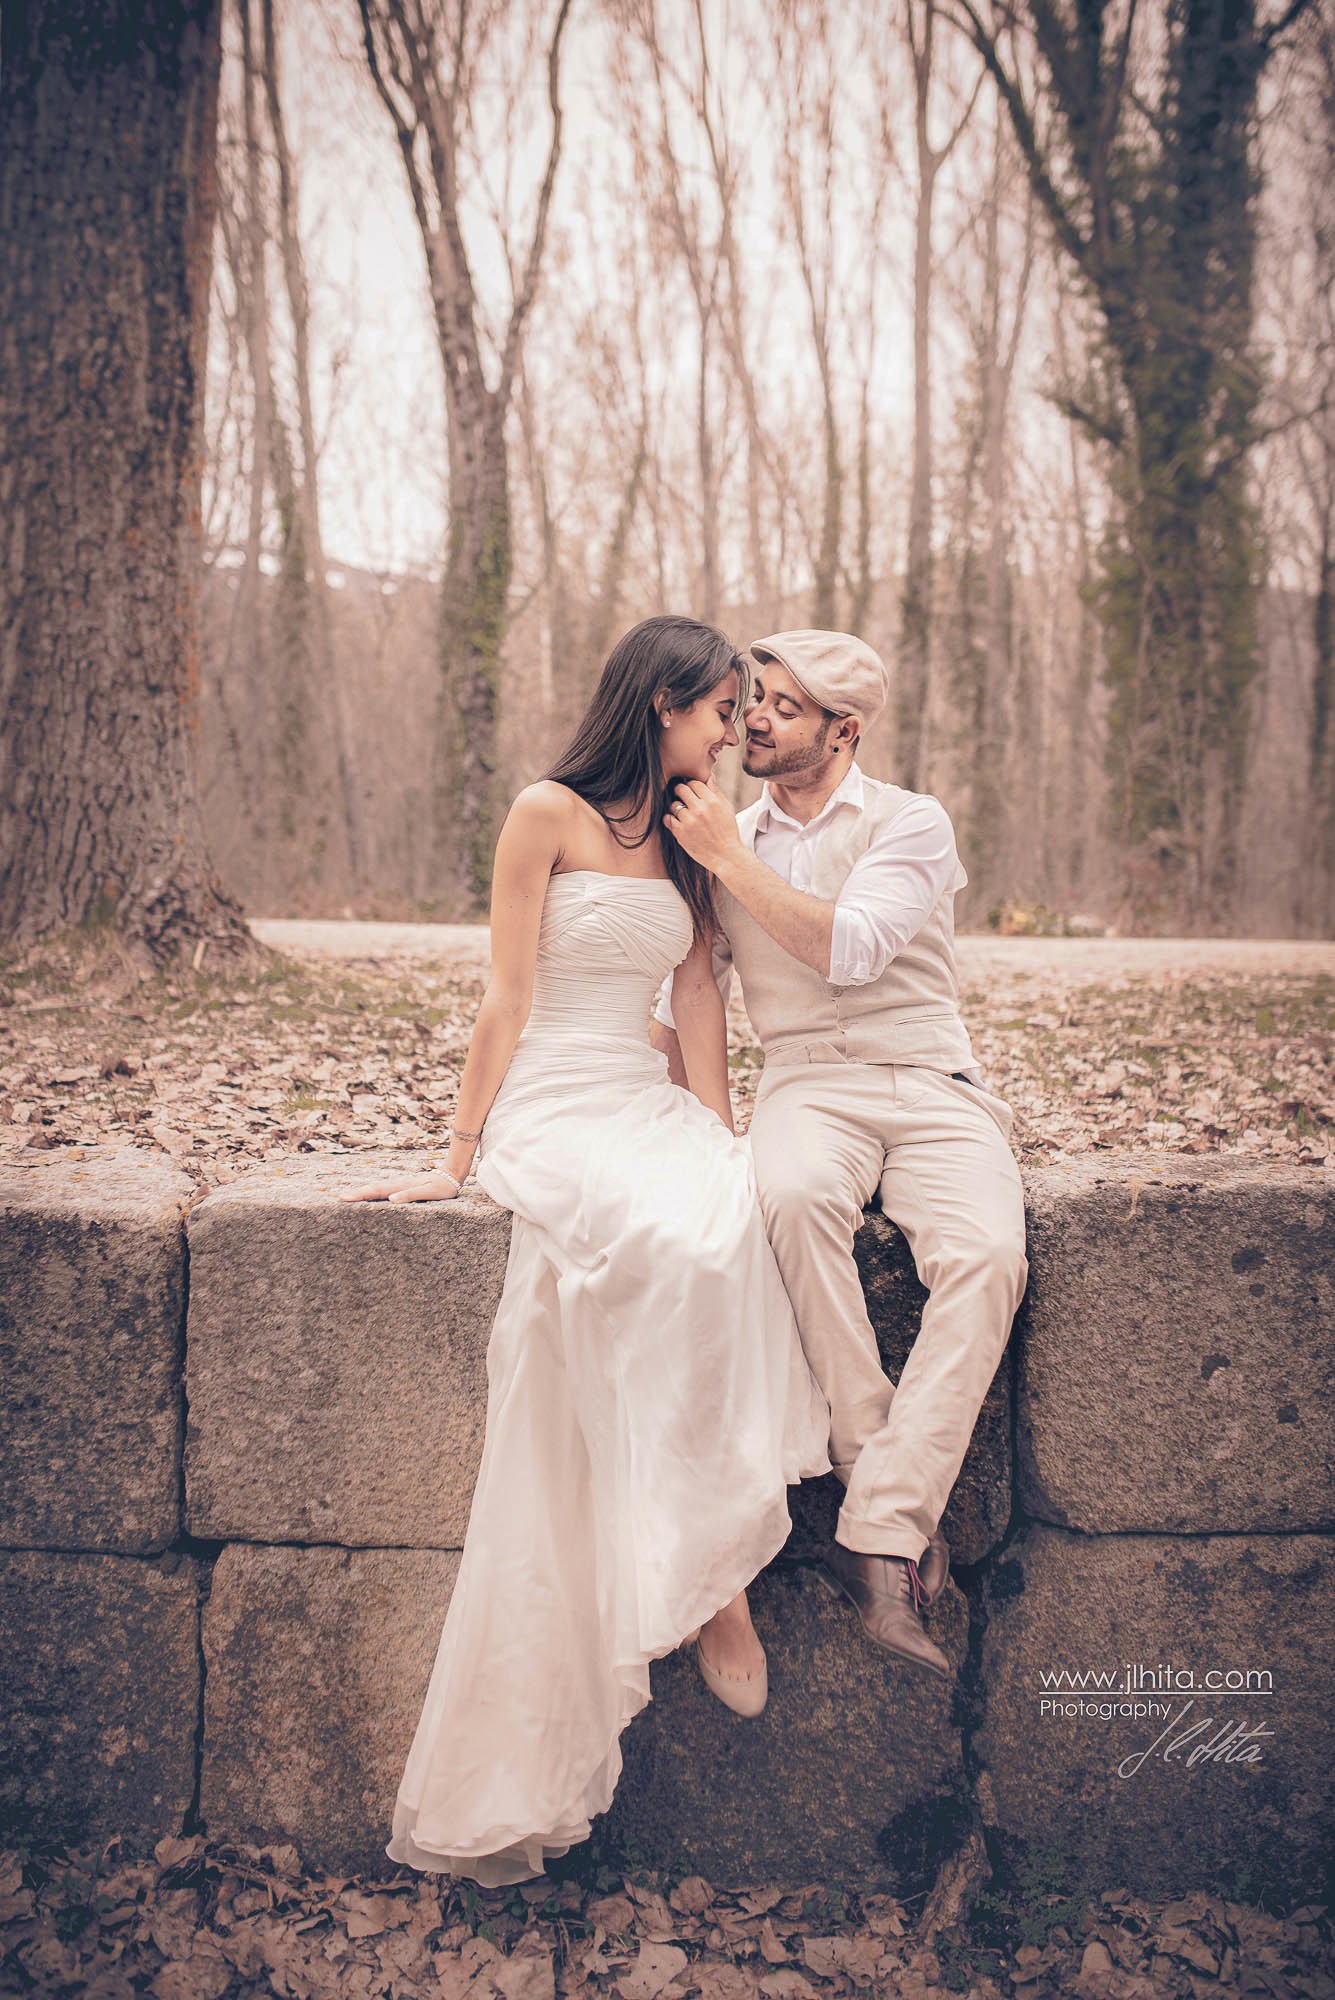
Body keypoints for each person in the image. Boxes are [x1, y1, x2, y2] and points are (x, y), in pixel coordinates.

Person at [336, 614, 831, 1887]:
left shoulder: (693, 832)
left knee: (725, 1217)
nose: (737, 731)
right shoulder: (545, 813)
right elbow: (505, 995)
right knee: (649, 1242)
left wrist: (722, 1137)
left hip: (645, 1093)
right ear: (663, 702)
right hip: (556, 1103)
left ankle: (707, 1545)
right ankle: (713, 1576)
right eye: (724, 709)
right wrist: (455, 1154)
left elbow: (702, 995)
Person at [653, 628, 1029, 1681]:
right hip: (809, 1083)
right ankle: (885, 1497)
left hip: (932, 1078)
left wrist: (731, 856)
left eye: (781, 704)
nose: (754, 717)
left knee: (989, 1257)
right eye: (753, 698)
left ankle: (880, 1525)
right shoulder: (716, 832)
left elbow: (856, 946)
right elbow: (690, 989)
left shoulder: (911, 822)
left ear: (844, 730)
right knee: (795, 1201)